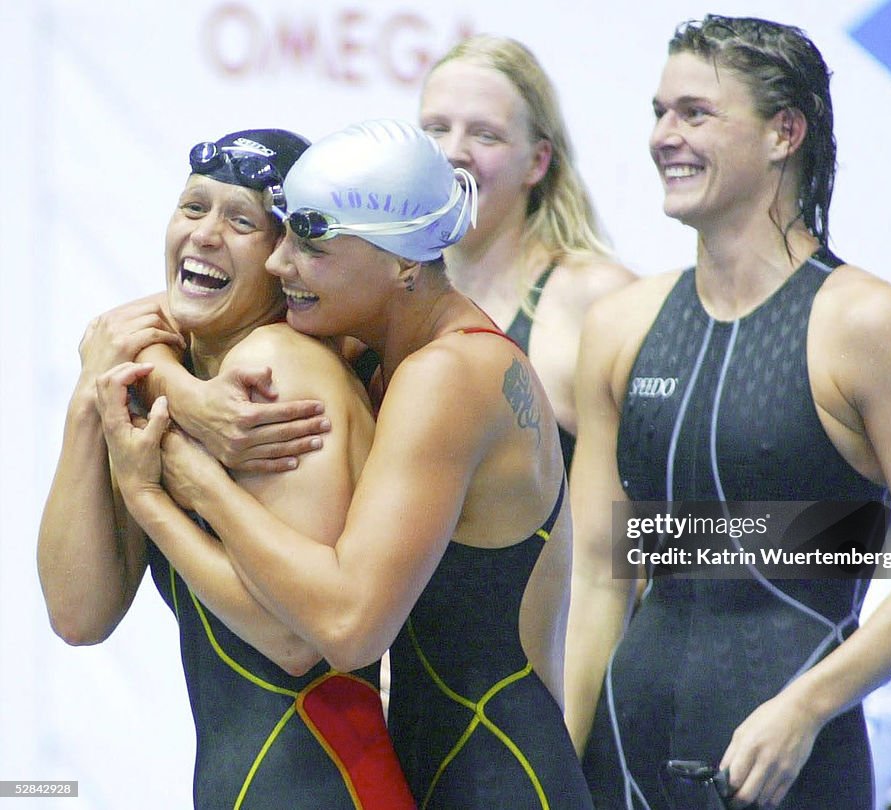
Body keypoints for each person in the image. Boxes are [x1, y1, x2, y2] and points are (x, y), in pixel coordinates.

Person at [95, 118, 595, 809]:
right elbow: (134, 321)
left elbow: (348, 626)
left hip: (499, 780)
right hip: (440, 769)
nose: (278, 264)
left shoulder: (449, 377)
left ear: (402, 266)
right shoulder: (392, 345)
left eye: (311, 244)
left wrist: (180, 486)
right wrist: (176, 385)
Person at [563, 15, 891, 810]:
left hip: (795, 768)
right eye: (658, 112)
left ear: (783, 133)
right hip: (623, 761)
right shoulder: (620, 327)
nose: (664, 136)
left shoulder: (872, 328)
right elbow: (597, 575)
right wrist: (563, 771)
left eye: (695, 113)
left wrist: (807, 705)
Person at [38, 128, 414, 809]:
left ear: (284, 258)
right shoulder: (174, 372)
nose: (205, 235)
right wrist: (92, 398)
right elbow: (78, 613)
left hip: (324, 784)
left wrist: (151, 493)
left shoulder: (276, 370)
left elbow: (295, 641)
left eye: (241, 221)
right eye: (192, 208)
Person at [417, 34, 635, 471]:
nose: (454, 153)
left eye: (486, 135)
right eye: (437, 129)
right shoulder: (378, 288)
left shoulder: (596, 301)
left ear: (537, 162)